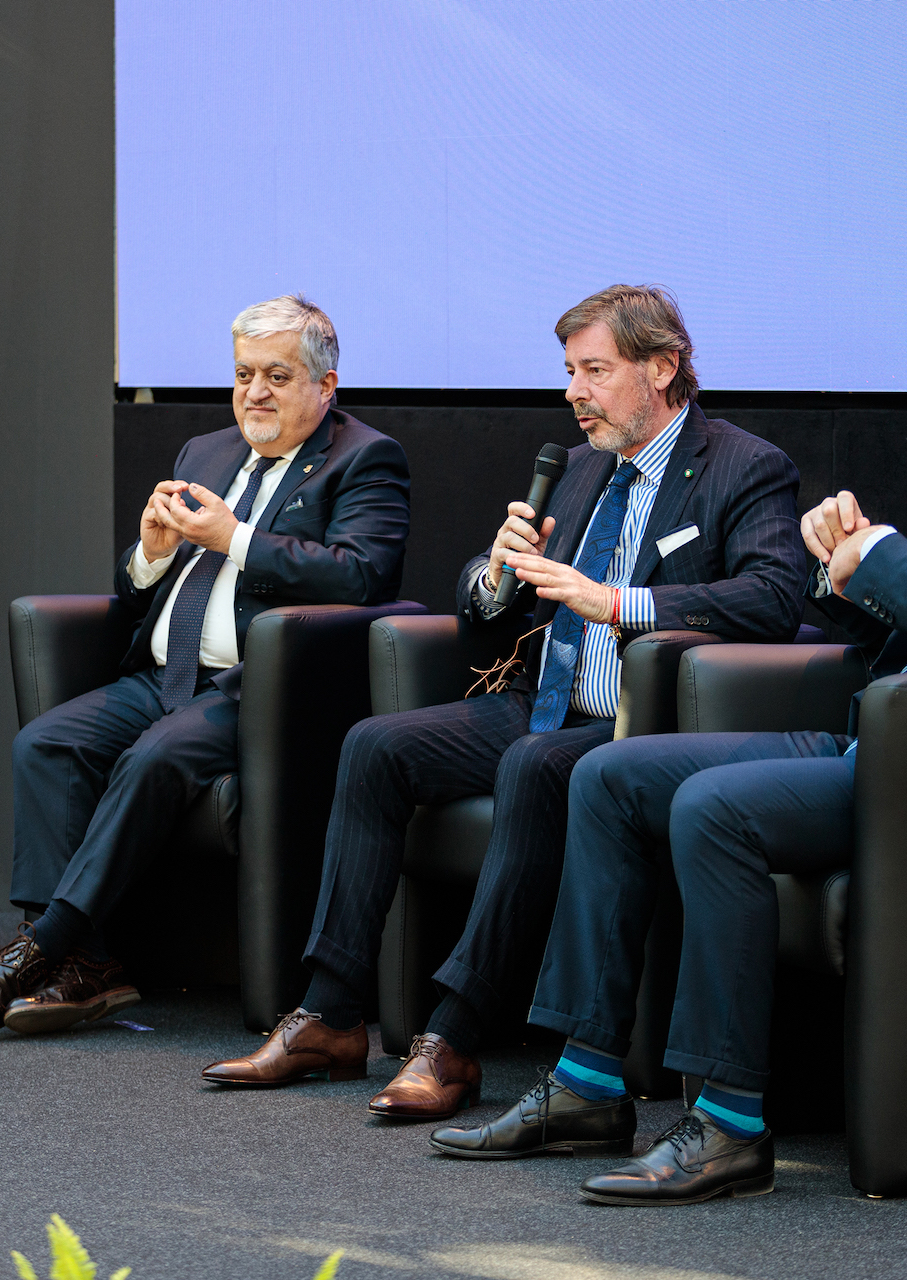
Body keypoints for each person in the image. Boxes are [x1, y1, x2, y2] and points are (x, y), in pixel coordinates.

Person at [430, 286, 907, 1206]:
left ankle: (728, 1125)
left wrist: (882, 555)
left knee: (713, 809)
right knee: (608, 777)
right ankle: (586, 1084)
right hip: (882, 740)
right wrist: (842, 571)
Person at [200, 285, 809, 1114]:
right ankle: (330, 1015)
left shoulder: (744, 465)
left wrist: (619, 602)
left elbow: (773, 597)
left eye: (595, 371)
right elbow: (492, 610)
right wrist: (495, 575)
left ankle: (452, 1039)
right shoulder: (582, 467)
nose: (574, 393)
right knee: (375, 745)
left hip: (640, 726)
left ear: (663, 368)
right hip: (543, 700)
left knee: (533, 763)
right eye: (569, 372)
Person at [0, 295, 411, 1037]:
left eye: (277, 377)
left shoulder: (365, 459)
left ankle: (42, 946)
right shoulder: (205, 453)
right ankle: (88, 967)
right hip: (162, 676)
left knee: (152, 758)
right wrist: (149, 555)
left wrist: (236, 538)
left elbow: (362, 576)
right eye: (243, 375)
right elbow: (135, 594)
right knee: (46, 742)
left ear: (325, 386)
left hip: (258, 690)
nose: (254, 393)